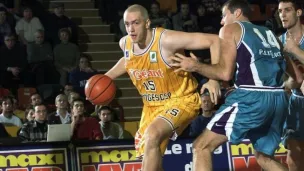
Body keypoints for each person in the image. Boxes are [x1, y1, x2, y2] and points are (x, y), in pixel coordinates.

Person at [170, 0, 302, 170]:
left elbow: (225, 73)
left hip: (252, 98)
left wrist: (194, 66)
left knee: (201, 147)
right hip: (278, 100)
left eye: (224, 15)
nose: (221, 21)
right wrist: (272, 89)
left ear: (237, 13)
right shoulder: (270, 33)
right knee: (263, 157)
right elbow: (297, 78)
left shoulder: (231, 29)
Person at [102, 4, 220, 171]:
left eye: (135, 23)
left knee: (152, 135)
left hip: (181, 100)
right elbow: (129, 60)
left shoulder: (167, 40)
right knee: (151, 158)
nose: (131, 29)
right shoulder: (125, 43)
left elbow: (214, 40)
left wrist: (213, 78)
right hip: (151, 107)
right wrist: (105, 78)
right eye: (127, 24)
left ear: (147, 23)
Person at [278, 0, 304, 170]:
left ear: (298, 12)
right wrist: (291, 83)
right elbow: (281, 80)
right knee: (293, 155)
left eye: (287, 10)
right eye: (280, 11)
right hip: (296, 102)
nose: (283, 15)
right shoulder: (277, 43)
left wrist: (295, 50)